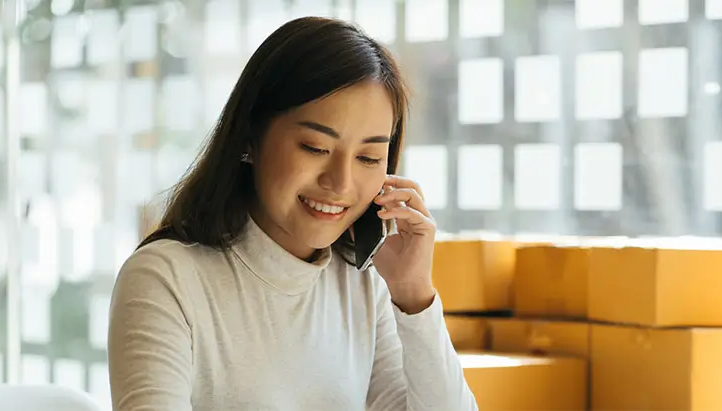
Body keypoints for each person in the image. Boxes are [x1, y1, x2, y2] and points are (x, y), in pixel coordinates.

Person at [106, 17, 478, 411]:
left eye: (369, 157)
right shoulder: (165, 279)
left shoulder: (361, 285)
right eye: (316, 148)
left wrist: (414, 295)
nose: (341, 183)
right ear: (250, 135)